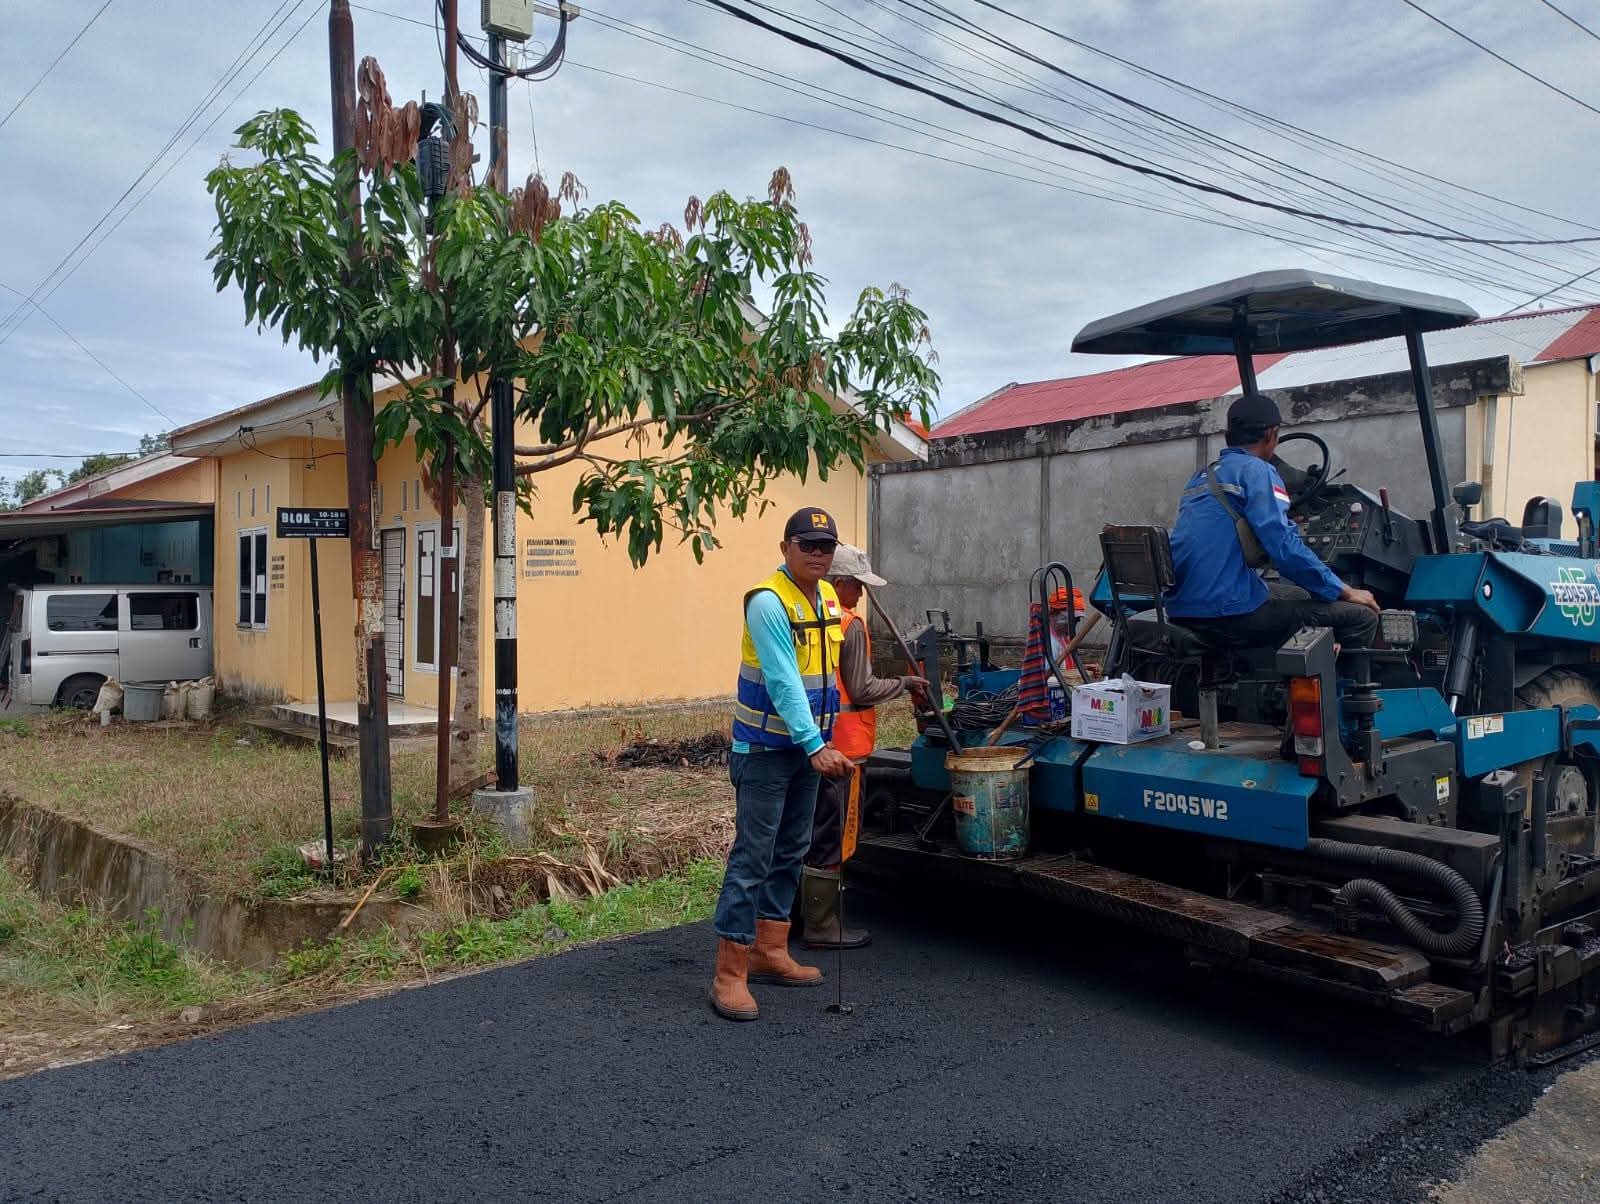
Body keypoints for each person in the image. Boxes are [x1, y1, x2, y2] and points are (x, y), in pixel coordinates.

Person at [711, 506, 856, 1022]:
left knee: (791, 849)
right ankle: (730, 970)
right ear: (785, 548)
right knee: (753, 855)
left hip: (806, 752)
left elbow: (829, 679)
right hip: (767, 752)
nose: (818, 554)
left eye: (826, 546)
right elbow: (783, 681)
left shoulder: (831, 602)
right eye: (807, 544)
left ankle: (770, 949)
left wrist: (822, 744)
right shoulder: (767, 603)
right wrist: (815, 744)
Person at [1167, 392, 1380, 649]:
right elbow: (1284, 547)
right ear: (1271, 434)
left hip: (1183, 607)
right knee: (1361, 617)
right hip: (1228, 614)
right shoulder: (1257, 470)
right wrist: (1345, 590)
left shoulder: (1202, 476)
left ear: (1229, 434)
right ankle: (1329, 687)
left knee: (1298, 594)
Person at [798, 544, 927, 950]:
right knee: (836, 834)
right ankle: (822, 925)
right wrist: (904, 684)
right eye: (857, 586)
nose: (860, 595)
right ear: (840, 583)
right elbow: (862, 688)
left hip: (815, 742)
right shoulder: (849, 623)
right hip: (847, 748)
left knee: (810, 831)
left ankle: (796, 918)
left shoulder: (812, 617)